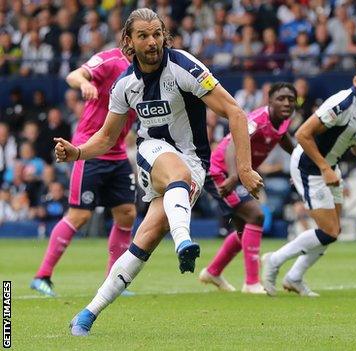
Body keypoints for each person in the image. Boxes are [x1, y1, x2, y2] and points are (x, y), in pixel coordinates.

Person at [54, 8, 262, 336]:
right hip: (152, 152)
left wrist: (245, 168)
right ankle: (183, 241)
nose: (152, 42)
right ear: (129, 41)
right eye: (143, 36)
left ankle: (88, 313)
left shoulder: (185, 67)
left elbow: (235, 112)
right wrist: (77, 152)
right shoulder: (124, 85)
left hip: (194, 164)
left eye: (157, 34)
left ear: (164, 35)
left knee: (144, 242)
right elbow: (108, 137)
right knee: (175, 171)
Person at [261, 59, 356, 297]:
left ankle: (294, 277)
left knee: (333, 230)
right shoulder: (342, 103)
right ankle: (274, 260)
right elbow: (302, 134)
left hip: (328, 166)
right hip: (309, 165)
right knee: (329, 230)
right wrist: (324, 168)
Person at [30, 46, 137, 298]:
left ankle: (114, 283)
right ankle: (42, 276)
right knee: (79, 215)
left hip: (118, 151)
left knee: (127, 214)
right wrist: (84, 84)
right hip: (89, 149)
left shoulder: (149, 70)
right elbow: (74, 75)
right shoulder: (112, 60)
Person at [200, 82, 297, 294]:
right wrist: (236, 176)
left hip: (236, 174)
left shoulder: (282, 121)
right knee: (256, 216)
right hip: (220, 171)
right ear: (269, 101)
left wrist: (300, 163)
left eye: (291, 99)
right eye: (281, 98)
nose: (287, 103)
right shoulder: (258, 119)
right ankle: (251, 283)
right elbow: (235, 142)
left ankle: (213, 272)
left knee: (244, 229)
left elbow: (284, 139)